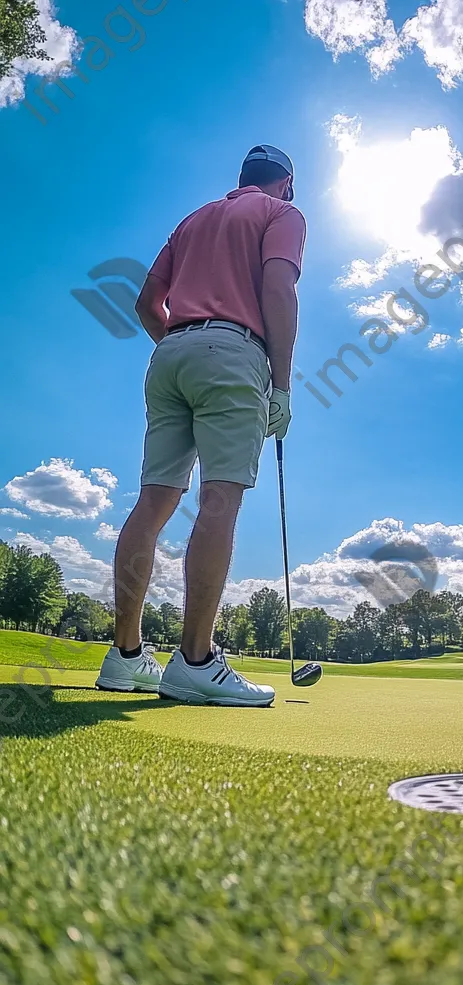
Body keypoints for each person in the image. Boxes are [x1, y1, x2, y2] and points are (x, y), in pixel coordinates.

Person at [94, 145, 306, 708]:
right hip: (233, 352)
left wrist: (182, 346)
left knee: (154, 503)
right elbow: (278, 290)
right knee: (220, 501)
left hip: (170, 354)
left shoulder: (193, 219)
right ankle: (195, 661)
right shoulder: (281, 213)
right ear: (285, 182)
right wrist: (280, 385)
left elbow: (146, 302)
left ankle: (125, 656)